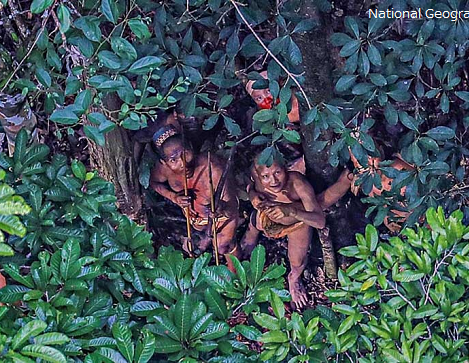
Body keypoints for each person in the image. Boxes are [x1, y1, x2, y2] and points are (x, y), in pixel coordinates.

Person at [240, 156, 353, 309]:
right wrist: (253, 195)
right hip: (266, 216)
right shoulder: (257, 173)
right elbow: (250, 185)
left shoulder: (297, 183)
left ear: (285, 167)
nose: (273, 181)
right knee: (257, 223)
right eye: (266, 176)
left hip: (297, 223)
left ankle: (294, 279)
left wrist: (291, 211)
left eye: (277, 172)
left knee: (297, 261)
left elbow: (320, 221)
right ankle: (251, 234)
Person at [149, 125, 241, 269]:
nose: (183, 163)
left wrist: (220, 209)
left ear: (191, 147)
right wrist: (173, 197)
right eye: (174, 160)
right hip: (195, 219)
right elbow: (154, 183)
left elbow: (231, 207)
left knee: (222, 245)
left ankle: (235, 278)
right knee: (195, 245)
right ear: (164, 162)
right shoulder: (164, 170)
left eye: (185, 153)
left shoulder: (212, 168)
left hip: (222, 217)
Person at [245, 71, 305, 174]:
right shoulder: (272, 123)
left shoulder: (300, 98)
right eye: (259, 98)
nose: (267, 100)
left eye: (268, 92)